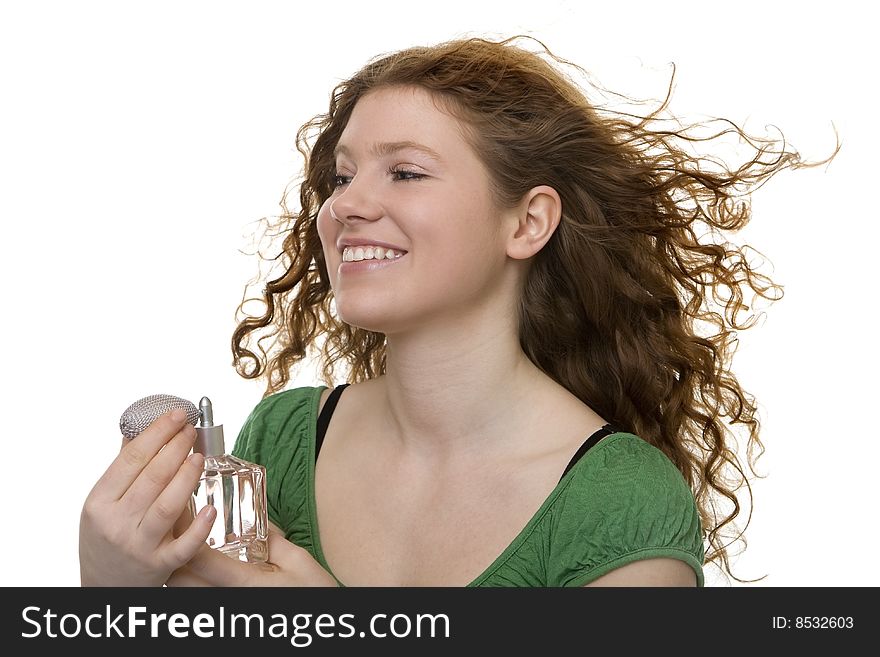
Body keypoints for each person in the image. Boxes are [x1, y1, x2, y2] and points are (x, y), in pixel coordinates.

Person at [79, 35, 830, 587]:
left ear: (527, 223)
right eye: (342, 177)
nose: (347, 206)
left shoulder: (618, 504)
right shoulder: (278, 437)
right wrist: (111, 589)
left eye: (405, 171)